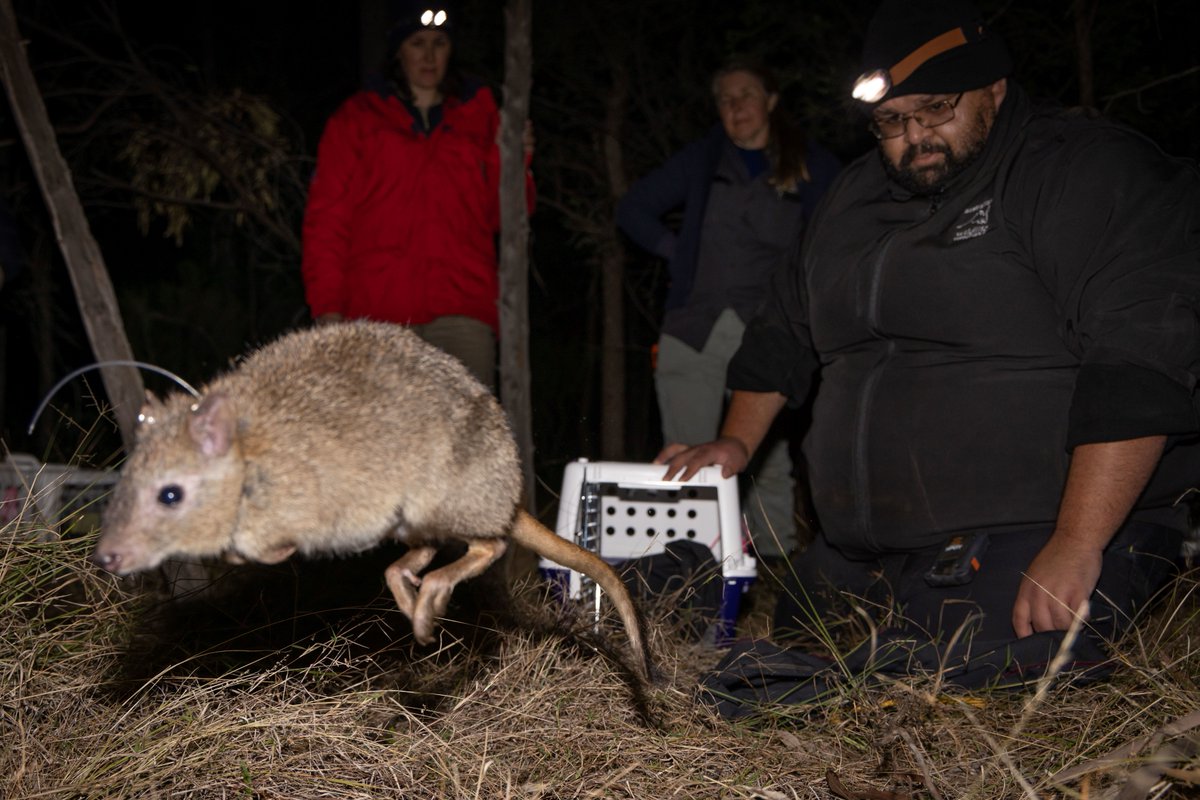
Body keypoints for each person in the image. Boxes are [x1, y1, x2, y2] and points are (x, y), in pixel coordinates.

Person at [664, 0, 1200, 714]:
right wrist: (735, 440)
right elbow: (780, 332)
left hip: (1033, 530)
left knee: (977, 671)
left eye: (936, 110)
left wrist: (1077, 542)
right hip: (864, 552)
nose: (914, 135)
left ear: (995, 89)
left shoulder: (1082, 171)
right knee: (777, 640)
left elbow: (1143, 353)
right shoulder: (852, 198)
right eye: (891, 121)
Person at [617, 58, 841, 560]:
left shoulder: (810, 164)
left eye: (746, 94)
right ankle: (690, 568)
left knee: (769, 456)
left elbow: (845, 226)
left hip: (768, 334)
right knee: (687, 453)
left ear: (771, 100)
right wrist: (678, 251)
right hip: (693, 326)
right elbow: (632, 208)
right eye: (725, 98)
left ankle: (773, 568)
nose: (735, 106)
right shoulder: (703, 159)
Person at [301, 1, 534, 391]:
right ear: (398, 51)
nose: (428, 56)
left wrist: (516, 161)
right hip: (378, 316)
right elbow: (327, 221)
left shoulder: (480, 115)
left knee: (465, 441)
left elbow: (507, 218)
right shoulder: (358, 119)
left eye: (439, 43)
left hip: (463, 310)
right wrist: (328, 309)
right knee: (384, 442)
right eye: (417, 43)